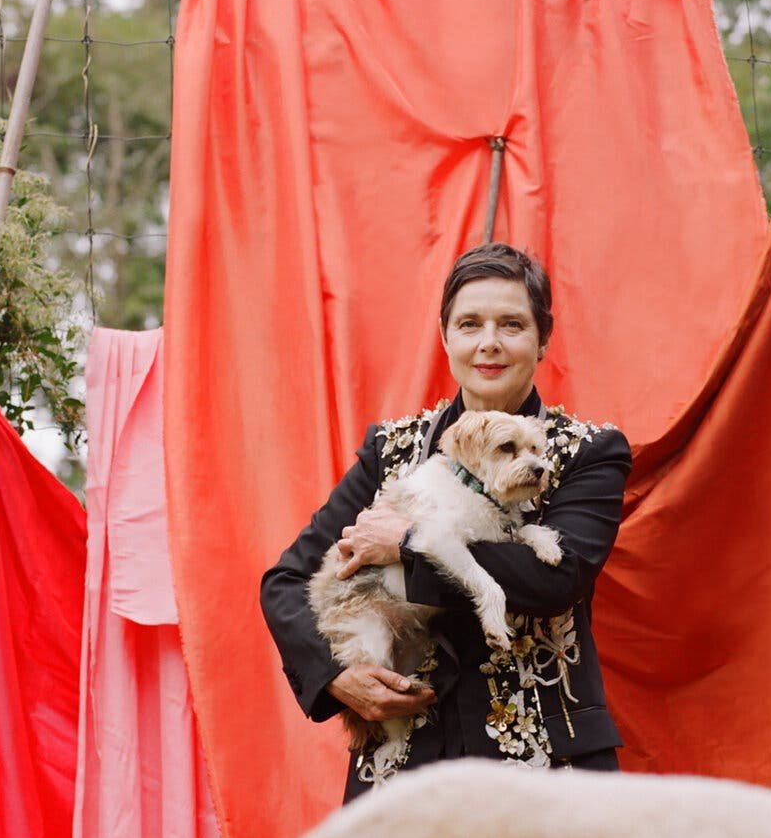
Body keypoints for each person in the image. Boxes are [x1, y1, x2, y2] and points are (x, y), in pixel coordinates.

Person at [261, 242, 631, 798]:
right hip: (404, 766)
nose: (489, 342)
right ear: (445, 338)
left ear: (543, 339)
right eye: (469, 324)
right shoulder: (390, 449)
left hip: (548, 764)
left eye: (512, 324)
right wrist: (337, 678)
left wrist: (407, 548)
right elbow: (287, 582)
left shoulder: (588, 451)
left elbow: (558, 577)